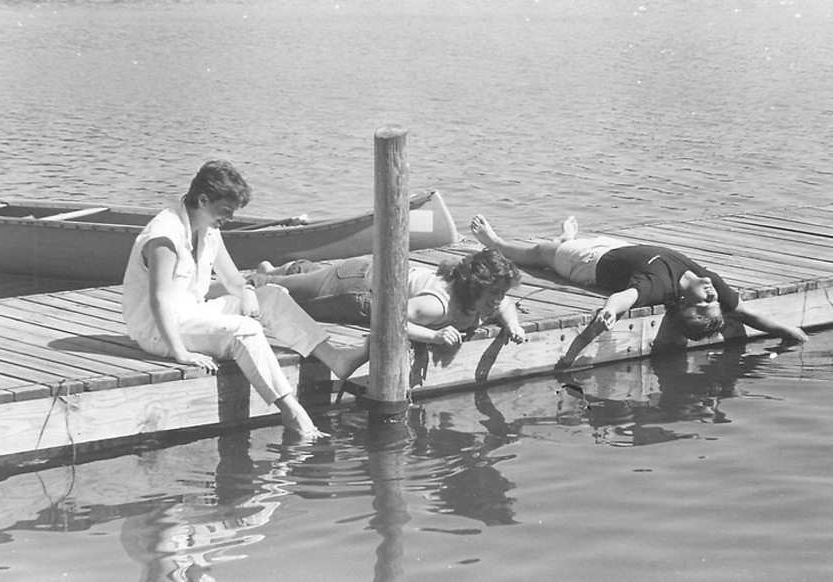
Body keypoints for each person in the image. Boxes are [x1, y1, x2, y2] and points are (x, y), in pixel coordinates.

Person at [121, 160, 368, 439]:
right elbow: (159, 301)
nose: (230, 218)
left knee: (271, 297)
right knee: (245, 329)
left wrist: (247, 293)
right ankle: (291, 411)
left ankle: (336, 359)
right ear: (203, 199)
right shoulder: (165, 236)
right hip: (159, 329)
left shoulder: (209, 228)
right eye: (226, 210)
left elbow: (232, 279)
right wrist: (180, 353)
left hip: (192, 313)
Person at [470, 214, 808, 344]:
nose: (713, 296)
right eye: (715, 301)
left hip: (590, 265)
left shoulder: (661, 286)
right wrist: (792, 332)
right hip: (624, 249)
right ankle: (566, 237)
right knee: (565, 244)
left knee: (542, 256)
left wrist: (608, 311)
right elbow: (748, 314)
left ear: (686, 303)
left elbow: (626, 297)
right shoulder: (709, 284)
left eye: (707, 304)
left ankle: (497, 242)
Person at [248, 248, 527, 347]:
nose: (497, 300)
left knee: (302, 281)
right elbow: (389, 319)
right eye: (493, 294)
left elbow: (506, 305)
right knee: (268, 291)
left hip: (369, 275)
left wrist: (513, 325)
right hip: (355, 288)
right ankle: (258, 279)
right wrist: (434, 337)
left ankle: (281, 270)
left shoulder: (484, 297)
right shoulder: (437, 305)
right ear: (475, 286)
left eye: (501, 293)